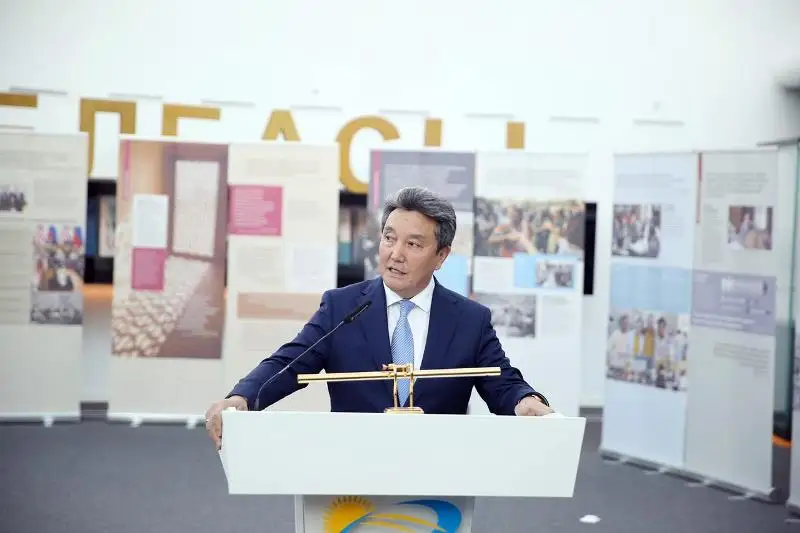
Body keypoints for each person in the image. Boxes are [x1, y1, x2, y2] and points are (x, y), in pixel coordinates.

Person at [205, 186, 553, 449]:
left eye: (413, 245)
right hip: (353, 468)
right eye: (389, 238)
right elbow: (289, 363)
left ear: (441, 255)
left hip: (438, 469)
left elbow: (501, 381)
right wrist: (242, 398)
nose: (395, 254)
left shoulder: (469, 319)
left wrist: (526, 402)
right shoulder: (341, 307)